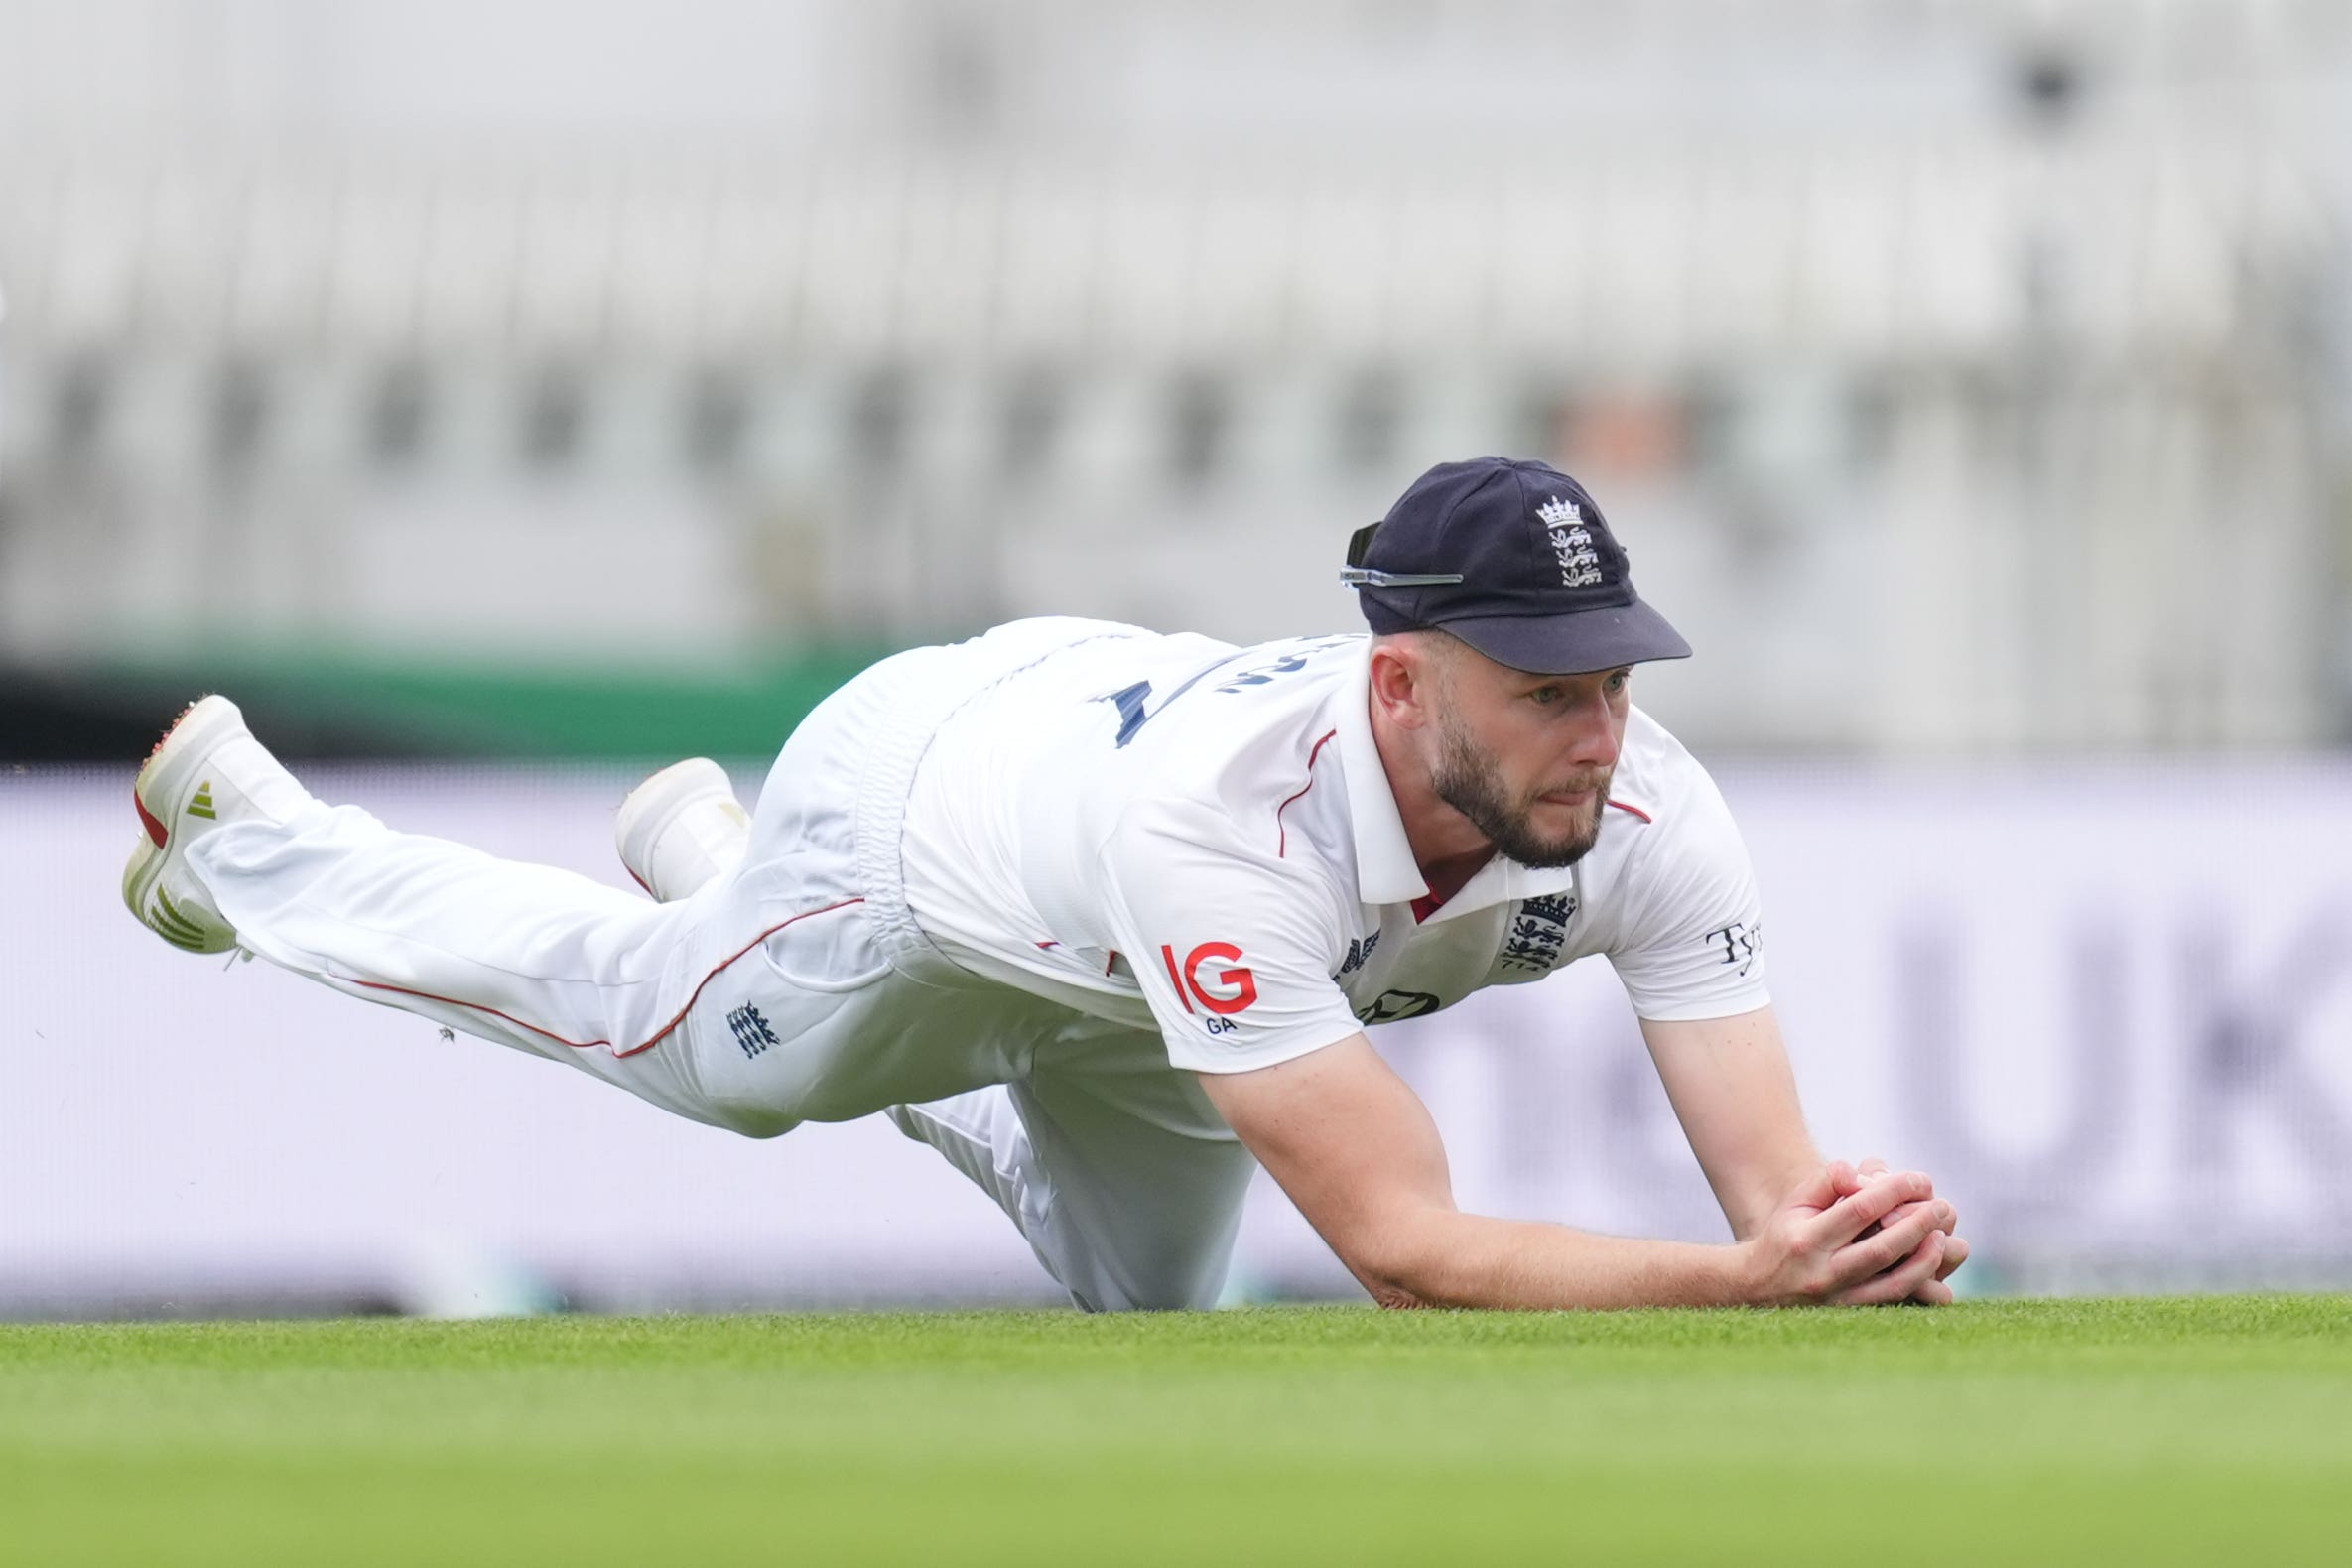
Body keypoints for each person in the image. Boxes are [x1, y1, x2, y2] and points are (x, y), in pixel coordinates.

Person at [124, 457, 1966, 1311]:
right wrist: (1741, 1290)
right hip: (923, 825)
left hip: (1140, 935)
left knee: (1151, 1322)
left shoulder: (1647, 806)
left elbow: (1777, 1195)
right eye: (1547, 690)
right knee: (709, 1060)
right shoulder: (1227, 833)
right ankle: (252, 835)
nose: (1598, 734)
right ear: (1402, 683)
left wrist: (1843, 1251)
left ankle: (719, 876)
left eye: (1616, 680)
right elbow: (1406, 1249)